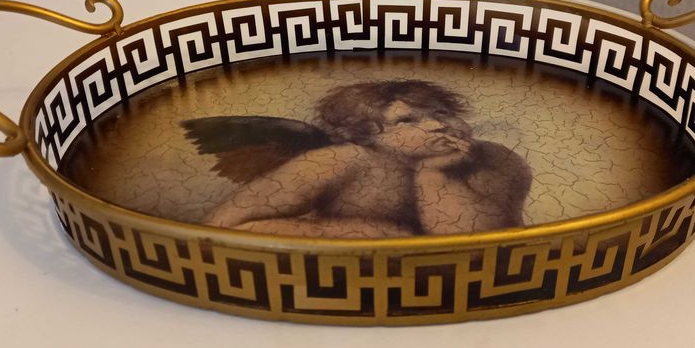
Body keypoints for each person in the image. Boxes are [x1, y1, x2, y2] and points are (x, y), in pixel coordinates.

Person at [205, 80, 531, 238]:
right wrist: (367, 234)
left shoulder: (493, 159)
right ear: (367, 136)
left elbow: (479, 248)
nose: (436, 125)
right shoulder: (343, 161)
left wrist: (434, 175)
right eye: (407, 121)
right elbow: (221, 227)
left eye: (442, 113)